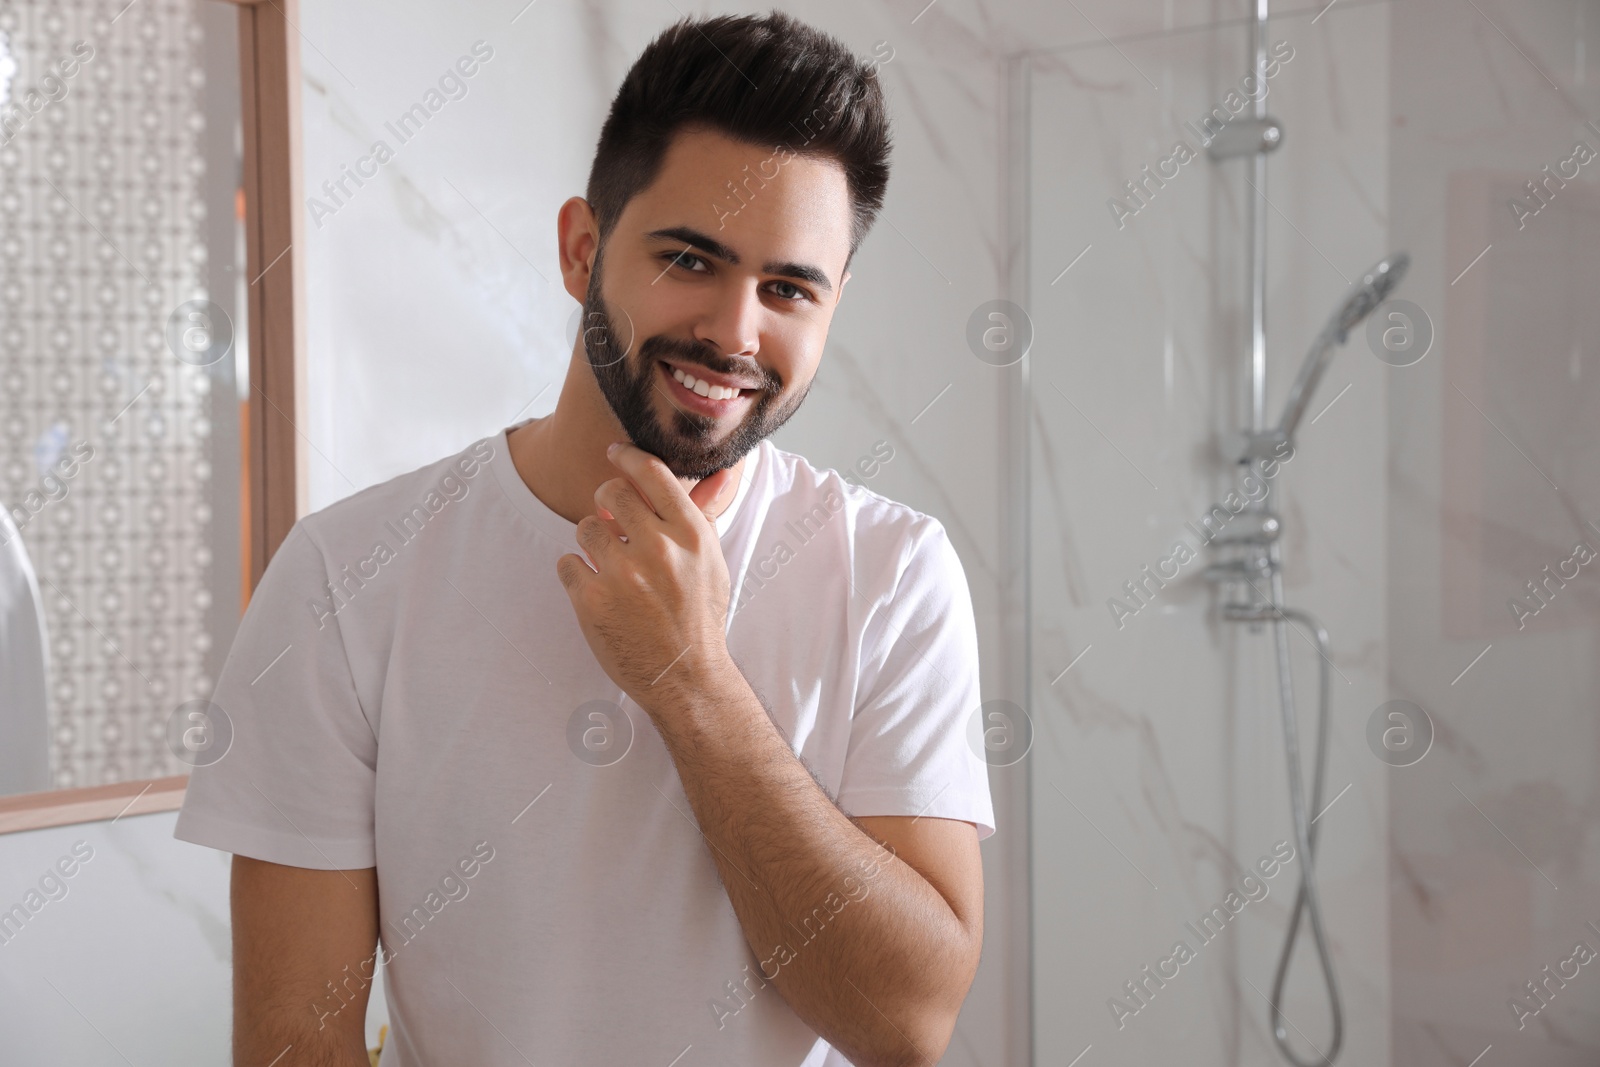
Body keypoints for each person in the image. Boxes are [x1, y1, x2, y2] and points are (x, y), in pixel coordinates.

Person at [174, 11, 994, 1066]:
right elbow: (296, 1042)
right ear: (580, 247)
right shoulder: (346, 578)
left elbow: (907, 1021)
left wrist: (692, 682)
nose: (736, 333)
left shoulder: (892, 573)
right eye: (691, 258)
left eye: (789, 288)